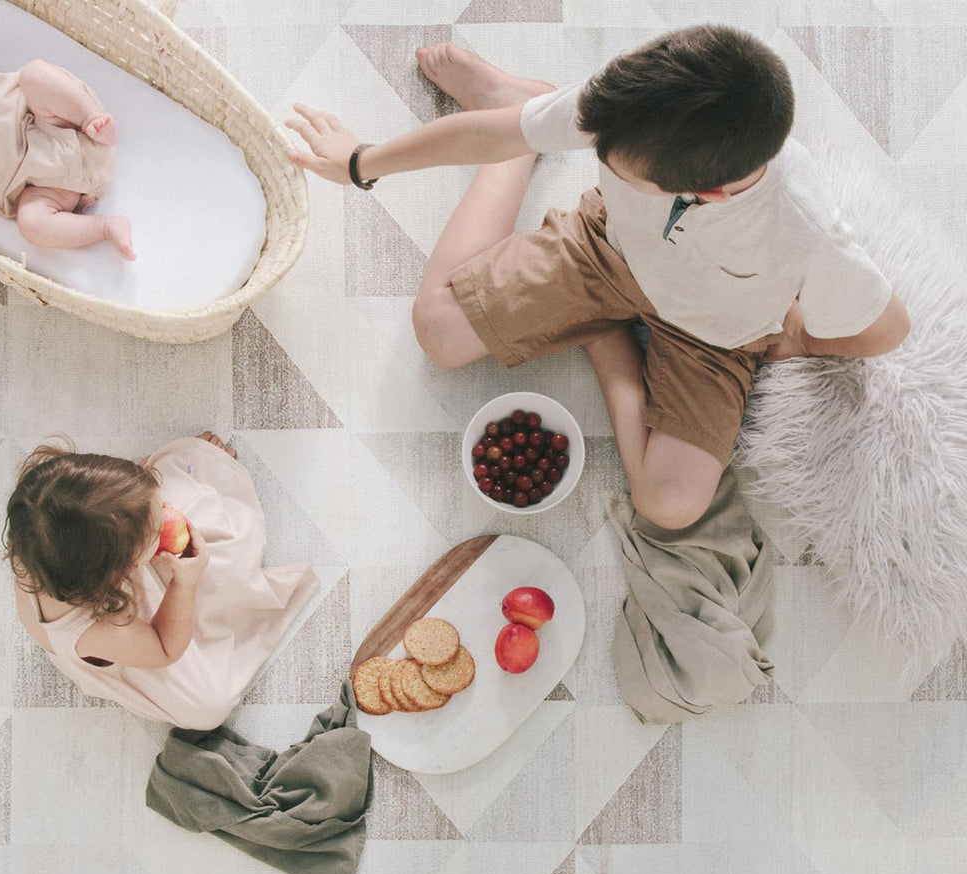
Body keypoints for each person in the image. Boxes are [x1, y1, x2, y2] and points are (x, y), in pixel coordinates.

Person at [285, 25, 910, 529]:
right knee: (438, 333)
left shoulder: (803, 224)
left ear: (709, 194)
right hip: (604, 253)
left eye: (619, 168)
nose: (598, 152)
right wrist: (362, 162)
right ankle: (519, 118)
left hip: (714, 336)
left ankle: (604, 341)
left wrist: (797, 337)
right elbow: (482, 136)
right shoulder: (626, 105)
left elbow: (888, 328)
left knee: (670, 505)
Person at [4, 432, 319, 729]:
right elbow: (164, 648)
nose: (168, 511)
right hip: (130, 642)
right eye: (154, 532)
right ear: (121, 572)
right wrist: (185, 583)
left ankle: (141, 495)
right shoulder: (95, 630)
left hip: (97, 556)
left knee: (158, 502)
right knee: (208, 707)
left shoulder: (41, 539)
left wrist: (137, 494)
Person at [0, 37, 134, 259]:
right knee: (32, 225)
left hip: (55, 124)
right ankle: (104, 227)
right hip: (42, 186)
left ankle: (90, 115)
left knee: (35, 74)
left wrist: (87, 121)